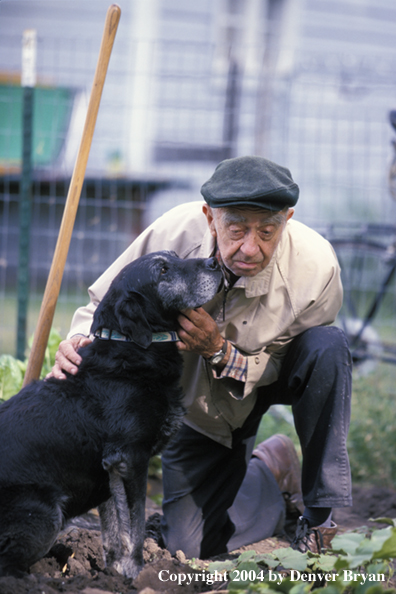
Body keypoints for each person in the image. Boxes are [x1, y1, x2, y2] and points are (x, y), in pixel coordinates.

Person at [50, 156, 352, 557]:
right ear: (211, 217)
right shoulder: (172, 235)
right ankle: (270, 468)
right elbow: (105, 303)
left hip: (266, 377)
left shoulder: (317, 268)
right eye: (236, 229)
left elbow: (293, 358)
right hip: (198, 403)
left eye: (267, 231)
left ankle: (319, 521)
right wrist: (78, 341)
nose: (251, 247)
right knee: (190, 546)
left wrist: (221, 352)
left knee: (328, 347)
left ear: (287, 219)